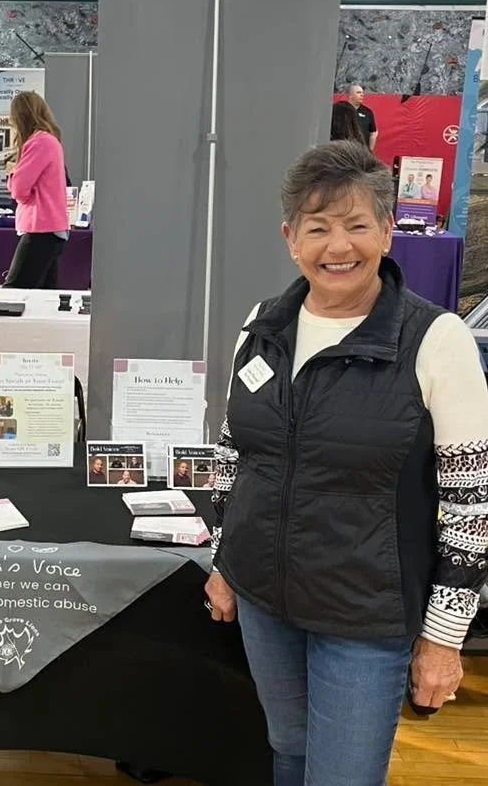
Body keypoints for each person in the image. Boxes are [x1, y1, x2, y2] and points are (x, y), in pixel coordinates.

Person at [205, 141, 488, 786]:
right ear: (290, 238)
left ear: (387, 232)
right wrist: (225, 560)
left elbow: (473, 505)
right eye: (318, 227)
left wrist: (444, 636)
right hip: (264, 601)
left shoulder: (435, 340)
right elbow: (232, 454)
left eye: (358, 225)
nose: (339, 246)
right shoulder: (262, 325)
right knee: (288, 751)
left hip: (366, 617)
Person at [3, 92, 69, 289]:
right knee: (45, 295)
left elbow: (18, 190)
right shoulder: (50, 141)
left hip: (39, 227)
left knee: (13, 291)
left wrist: (12, 174)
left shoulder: (39, 142)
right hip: (52, 228)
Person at [346, 83, 378, 151]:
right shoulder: (341, 109)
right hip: (345, 151)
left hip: (362, 152)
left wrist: (370, 150)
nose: (362, 95)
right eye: (358, 92)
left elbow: (373, 133)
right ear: (350, 96)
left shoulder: (367, 112)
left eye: (362, 93)